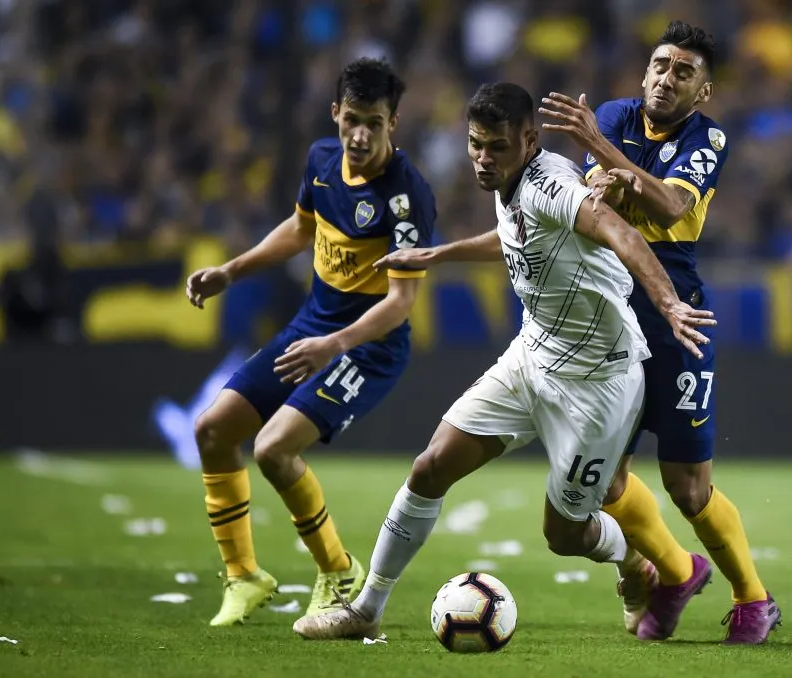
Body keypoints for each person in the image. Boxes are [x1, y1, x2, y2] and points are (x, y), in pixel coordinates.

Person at [292, 81, 715, 641]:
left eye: (497, 147)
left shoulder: (552, 186)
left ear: (530, 140)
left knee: (565, 535)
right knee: (430, 467)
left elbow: (619, 233)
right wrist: (439, 254)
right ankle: (365, 608)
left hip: (598, 383)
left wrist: (669, 304)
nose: (483, 159)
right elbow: (511, 234)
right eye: (475, 145)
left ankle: (636, 565)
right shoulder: (509, 180)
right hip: (532, 357)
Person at [538, 20, 780, 644]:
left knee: (688, 486)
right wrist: (605, 168)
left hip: (677, 317)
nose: (668, 79)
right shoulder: (617, 116)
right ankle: (674, 572)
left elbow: (671, 207)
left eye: (684, 72)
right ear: (645, 71)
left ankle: (753, 597)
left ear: (704, 91)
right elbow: (596, 193)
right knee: (605, 477)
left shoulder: (708, 137)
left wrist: (603, 154)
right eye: (661, 65)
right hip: (610, 319)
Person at [184, 58, 436, 627]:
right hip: (311, 329)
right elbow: (300, 229)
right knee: (212, 430)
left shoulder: (406, 196)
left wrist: (334, 346)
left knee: (273, 449)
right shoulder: (322, 160)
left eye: (374, 122)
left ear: (393, 122)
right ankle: (244, 576)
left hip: (369, 348)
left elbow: (400, 303)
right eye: (352, 120)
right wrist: (232, 270)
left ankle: (337, 569)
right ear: (335, 114)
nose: (360, 135)